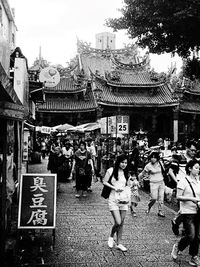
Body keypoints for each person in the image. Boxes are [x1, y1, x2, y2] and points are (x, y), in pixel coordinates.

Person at [171, 159, 200, 266]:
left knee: (197, 236)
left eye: (199, 168)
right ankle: (178, 246)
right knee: (191, 235)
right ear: (189, 168)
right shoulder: (183, 181)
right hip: (187, 212)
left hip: (197, 211)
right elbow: (178, 196)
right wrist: (191, 199)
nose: (198, 170)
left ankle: (194, 256)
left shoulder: (198, 182)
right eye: (196, 168)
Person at [103, 154, 130, 252]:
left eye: (126, 163)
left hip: (123, 199)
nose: (124, 164)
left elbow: (128, 185)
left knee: (121, 223)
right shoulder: (111, 170)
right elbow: (104, 181)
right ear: (118, 162)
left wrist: (133, 185)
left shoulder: (126, 173)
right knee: (118, 222)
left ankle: (119, 243)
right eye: (122, 162)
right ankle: (111, 236)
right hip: (113, 198)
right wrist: (114, 188)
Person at [138, 151, 165, 217]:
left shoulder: (160, 163)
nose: (153, 159)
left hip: (161, 182)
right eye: (152, 158)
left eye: (154, 158)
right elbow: (141, 174)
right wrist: (139, 181)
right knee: (154, 198)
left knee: (161, 198)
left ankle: (160, 211)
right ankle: (149, 206)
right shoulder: (148, 166)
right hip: (153, 183)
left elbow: (164, 171)